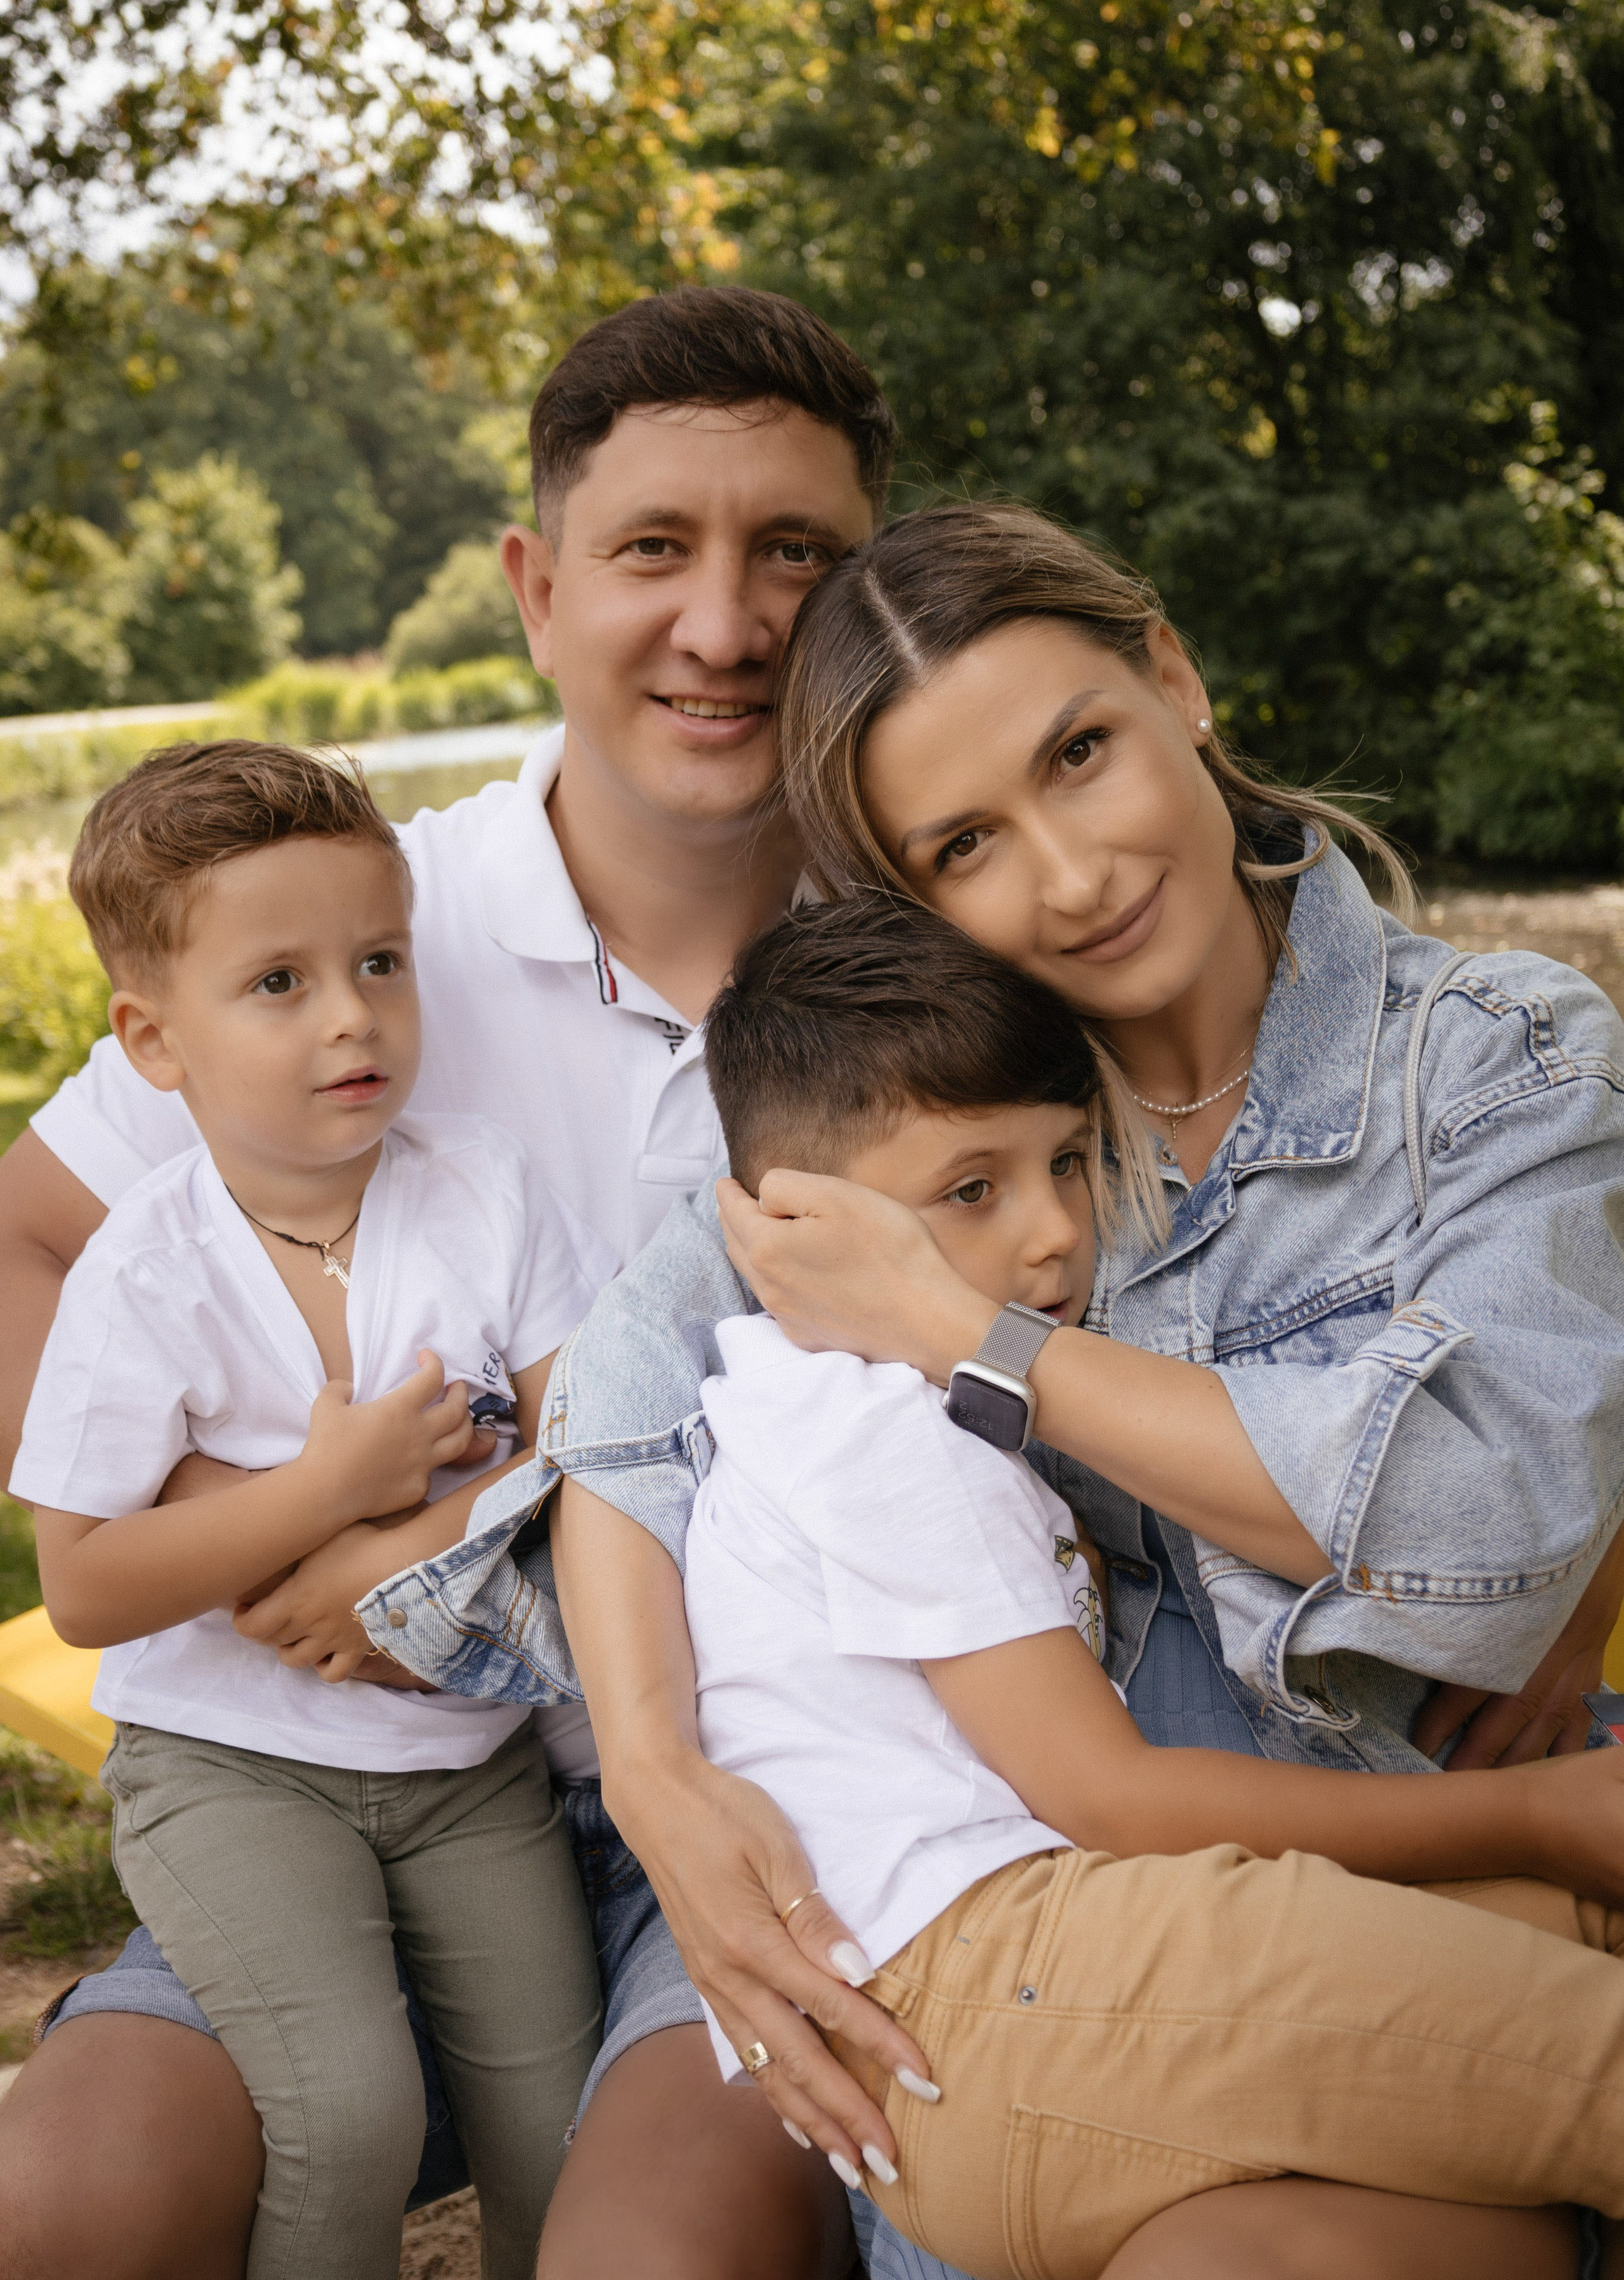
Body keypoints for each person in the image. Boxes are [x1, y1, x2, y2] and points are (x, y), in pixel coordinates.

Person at [372, 499, 1624, 2280]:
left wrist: (984, 1340)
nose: (1072, 875)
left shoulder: (1495, 1062)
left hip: (1371, 1860)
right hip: (1066, 1956)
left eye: (1084, 753)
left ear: (1174, 679)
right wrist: (655, 1771)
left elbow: (1482, 1512)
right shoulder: (935, 1123)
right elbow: (632, 1415)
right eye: (966, 845)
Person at [0, 284, 891, 2280]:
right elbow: (24, 1231)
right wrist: (256, 1528)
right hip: (334, 1777)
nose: (729, 626)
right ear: (534, 584)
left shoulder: (931, 952)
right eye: (655, 547)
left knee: (638, 2258)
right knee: (66, 2204)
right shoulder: (360, 929)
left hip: (758, 1794)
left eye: (800, 559)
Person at [687, 893, 1624, 2274]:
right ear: (792, 1222)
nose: (1053, 1233)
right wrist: (1528, 1814)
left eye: (1065, 1162)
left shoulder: (791, 1397)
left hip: (999, 2037)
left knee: (1566, 1958)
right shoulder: (880, 1427)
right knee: (1590, 2064)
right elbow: (1110, 1801)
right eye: (968, 1191)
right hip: (1011, 1972)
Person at [15, 741, 608, 2280]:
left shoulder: (483, 1191)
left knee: (556, 2124)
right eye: (277, 984)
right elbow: (83, 1586)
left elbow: (588, 1445)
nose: (352, 1014)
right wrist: (325, 1489)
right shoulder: (144, 1273)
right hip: (235, 1773)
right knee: (343, 2111)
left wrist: (424, 1537)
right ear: (154, 1040)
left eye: (379, 963)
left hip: (469, 1762)